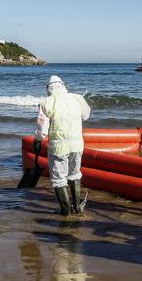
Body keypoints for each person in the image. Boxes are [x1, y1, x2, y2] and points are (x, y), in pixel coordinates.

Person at [35, 75, 91, 216]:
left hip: (58, 147)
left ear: (49, 89)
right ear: (63, 86)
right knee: (74, 174)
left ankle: (65, 211)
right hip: (77, 145)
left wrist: (38, 139)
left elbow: (42, 128)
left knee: (59, 179)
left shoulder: (47, 102)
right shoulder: (77, 98)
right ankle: (77, 206)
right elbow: (86, 115)